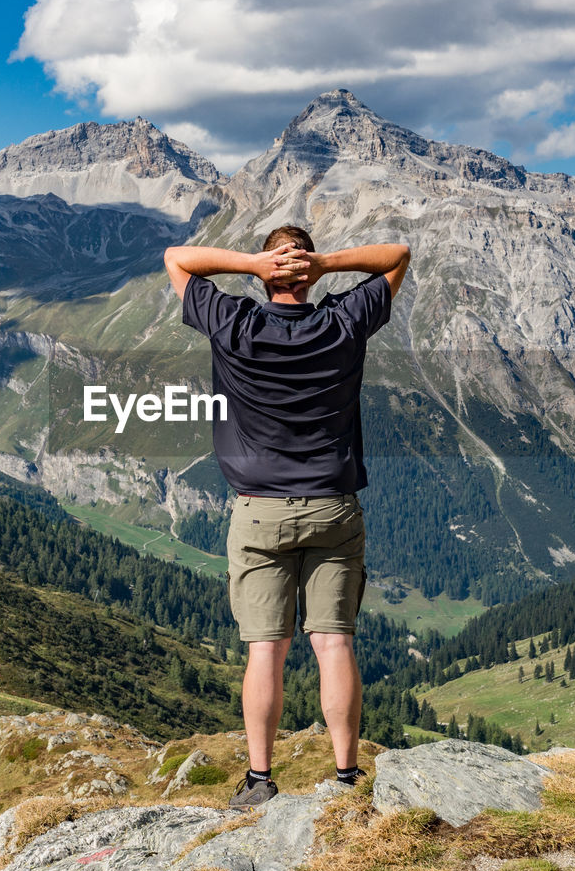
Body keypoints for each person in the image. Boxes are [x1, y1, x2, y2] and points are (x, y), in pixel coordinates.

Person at [164, 224, 410, 809]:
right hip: (334, 507)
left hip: (258, 512)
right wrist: (325, 264)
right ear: (307, 269)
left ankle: (258, 780)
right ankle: (347, 779)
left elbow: (177, 259)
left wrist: (253, 265)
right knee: (334, 644)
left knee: (265, 651)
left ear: (272, 271)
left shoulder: (235, 324)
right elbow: (398, 255)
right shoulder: (343, 321)